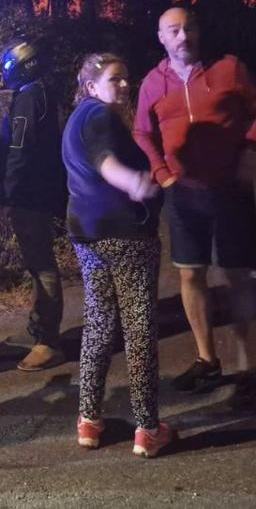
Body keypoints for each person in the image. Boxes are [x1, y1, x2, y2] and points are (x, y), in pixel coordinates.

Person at [133, 7, 256, 408]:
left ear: (199, 31)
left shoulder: (229, 69)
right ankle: (206, 359)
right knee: (190, 275)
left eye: (189, 28)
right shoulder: (151, 84)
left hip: (230, 189)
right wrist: (161, 172)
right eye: (174, 31)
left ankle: (247, 367)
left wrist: (252, 148)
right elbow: (142, 131)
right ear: (161, 37)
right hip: (184, 192)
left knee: (238, 276)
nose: (183, 37)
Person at [64, 53, 173, 457]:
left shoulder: (76, 118)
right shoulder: (99, 117)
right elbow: (105, 161)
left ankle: (89, 420)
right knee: (139, 325)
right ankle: (147, 428)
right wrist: (134, 183)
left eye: (127, 77)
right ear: (91, 86)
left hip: (87, 236)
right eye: (115, 79)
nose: (125, 85)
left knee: (98, 322)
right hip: (125, 236)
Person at [0, 37, 67, 371]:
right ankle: (40, 328)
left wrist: (10, 192)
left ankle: (47, 341)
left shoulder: (28, 98)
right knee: (38, 262)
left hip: (29, 194)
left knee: (41, 264)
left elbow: (19, 149)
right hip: (39, 191)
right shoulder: (43, 94)